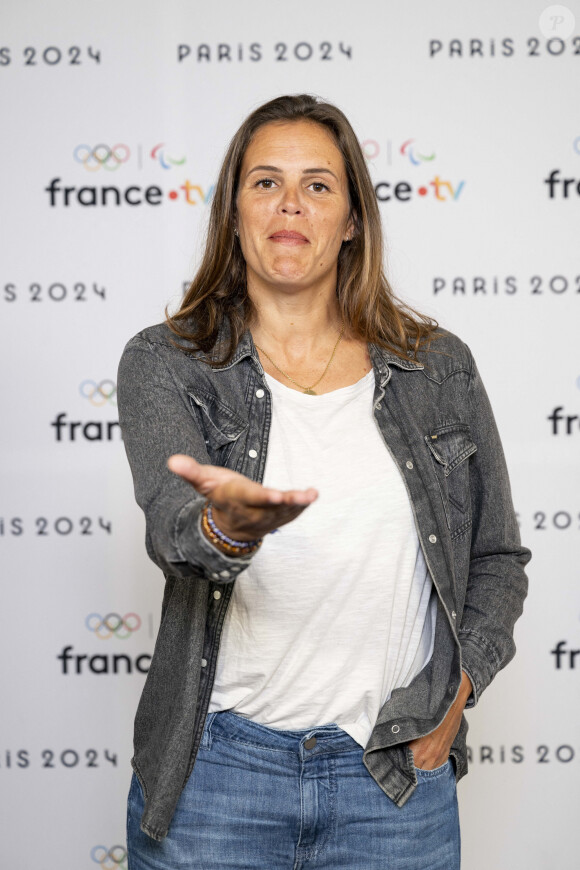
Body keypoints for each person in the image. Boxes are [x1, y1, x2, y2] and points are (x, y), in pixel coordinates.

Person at [118, 94, 530, 870]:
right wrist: (223, 528)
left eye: (317, 185)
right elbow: (176, 528)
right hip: (218, 777)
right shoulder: (166, 363)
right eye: (265, 182)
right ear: (233, 210)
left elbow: (497, 558)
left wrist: (459, 692)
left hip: (394, 782)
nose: (290, 206)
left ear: (351, 220)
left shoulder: (438, 368)